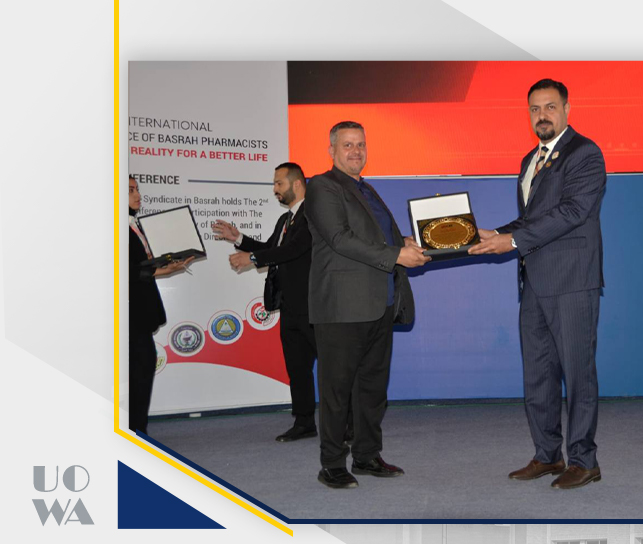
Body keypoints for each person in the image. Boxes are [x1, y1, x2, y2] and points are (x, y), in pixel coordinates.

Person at [469, 79, 606, 489]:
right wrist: (495, 233)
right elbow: (532, 220)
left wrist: (512, 241)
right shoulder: (531, 159)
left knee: (578, 375)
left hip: (572, 282)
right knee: (538, 375)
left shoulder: (585, 153)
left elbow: (573, 211)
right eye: (534, 109)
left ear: (566, 109)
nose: (542, 115)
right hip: (535, 282)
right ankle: (548, 455)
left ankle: (584, 461)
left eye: (550, 107)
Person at [303, 121, 430, 489]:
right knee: (337, 391)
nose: (355, 151)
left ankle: (366, 455)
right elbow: (340, 239)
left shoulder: (367, 188)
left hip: (379, 304)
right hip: (342, 307)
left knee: (372, 389)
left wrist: (405, 242)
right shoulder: (322, 186)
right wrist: (397, 254)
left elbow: (375, 237)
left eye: (360, 144)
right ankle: (331, 463)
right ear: (331, 151)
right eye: (347, 145)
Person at [211, 162, 354, 443]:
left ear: (297, 184)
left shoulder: (315, 213)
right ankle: (304, 422)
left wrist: (252, 259)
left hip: (317, 307)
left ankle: (349, 424)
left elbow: (293, 250)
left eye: (279, 183)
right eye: (274, 184)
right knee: (297, 368)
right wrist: (238, 238)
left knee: (333, 369)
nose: (275, 189)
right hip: (290, 307)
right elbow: (273, 249)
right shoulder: (285, 220)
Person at [128, 177, 193, 435]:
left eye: (137, 189)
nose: (137, 195)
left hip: (141, 310)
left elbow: (142, 265)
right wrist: (160, 271)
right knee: (139, 369)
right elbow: (123, 270)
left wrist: (167, 267)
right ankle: (134, 431)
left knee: (141, 368)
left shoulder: (134, 225)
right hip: (128, 312)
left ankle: (137, 429)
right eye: (130, 190)